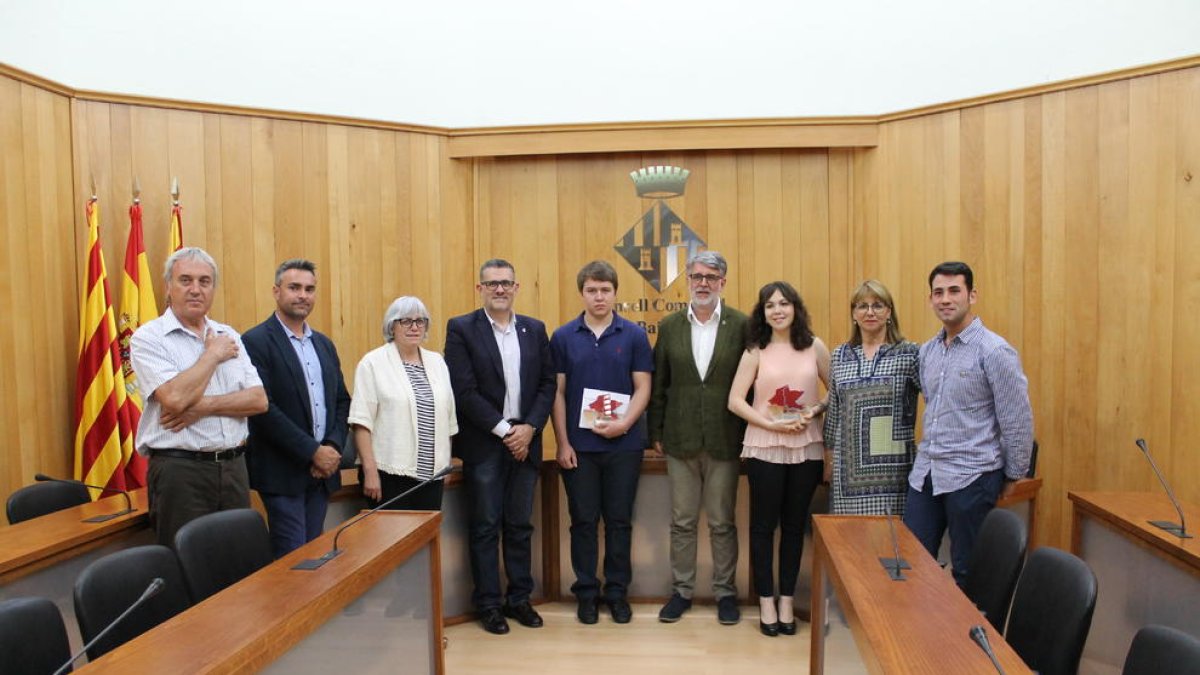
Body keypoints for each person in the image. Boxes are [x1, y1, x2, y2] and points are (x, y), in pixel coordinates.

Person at [904, 261, 1033, 586]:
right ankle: (920, 636)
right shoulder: (928, 352)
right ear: (930, 299)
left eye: (954, 291)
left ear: (971, 295)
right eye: (938, 293)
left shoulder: (994, 351)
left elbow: (1016, 417)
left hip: (972, 476)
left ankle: (964, 637)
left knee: (968, 572)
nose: (945, 299)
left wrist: (1013, 473)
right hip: (927, 475)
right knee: (911, 564)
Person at [445, 259, 556, 635]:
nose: (499, 289)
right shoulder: (461, 329)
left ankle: (519, 599)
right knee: (486, 526)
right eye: (492, 284)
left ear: (516, 287)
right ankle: (489, 604)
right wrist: (506, 431)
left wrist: (529, 429)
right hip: (486, 444)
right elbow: (464, 390)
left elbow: (547, 385)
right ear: (480, 289)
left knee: (520, 525)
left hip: (526, 441)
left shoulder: (534, 329)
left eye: (506, 283)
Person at [130, 247, 268, 547]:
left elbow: (258, 400)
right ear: (168, 286)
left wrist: (201, 408)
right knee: (186, 566)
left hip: (234, 467)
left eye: (204, 281)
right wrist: (212, 355)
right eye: (185, 280)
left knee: (237, 564)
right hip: (181, 472)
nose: (195, 289)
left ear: (213, 289)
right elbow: (175, 400)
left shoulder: (227, 333)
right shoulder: (148, 338)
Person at [550, 260, 653, 625]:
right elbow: (557, 394)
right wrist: (562, 443)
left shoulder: (634, 335)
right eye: (592, 290)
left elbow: (644, 387)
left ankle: (617, 593)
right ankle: (587, 593)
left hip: (624, 446)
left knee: (619, 522)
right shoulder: (563, 337)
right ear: (582, 293)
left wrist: (625, 423)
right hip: (579, 448)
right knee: (582, 521)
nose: (598, 296)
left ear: (615, 293)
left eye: (605, 290)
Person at [647, 251, 747, 626]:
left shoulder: (742, 325)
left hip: (725, 439)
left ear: (723, 281)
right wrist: (654, 431)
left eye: (711, 276)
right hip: (679, 439)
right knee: (682, 521)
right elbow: (660, 384)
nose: (703, 282)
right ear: (687, 281)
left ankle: (725, 594)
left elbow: (751, 385)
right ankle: (682, 591)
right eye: (696, 276)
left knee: (722, 522)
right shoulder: (670, 326)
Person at [727, 281, 830, 638]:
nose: (778, 310)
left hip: (806, 448)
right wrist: (768, 422)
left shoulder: (814, 346)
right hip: (765, 446)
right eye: (770, 305)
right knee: (762, 527)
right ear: (763, 312)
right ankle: (766, 600)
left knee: (793, 526)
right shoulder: (756, 350)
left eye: (784, 303)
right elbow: (735, 401)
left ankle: (787, 599)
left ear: (795, 308)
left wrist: (813, 411)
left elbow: (836, 392)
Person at [243, 259, 352, 558]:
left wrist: (330, 447)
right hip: (282, 472)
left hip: (321, 473)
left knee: (314, 557)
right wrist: (312, 451)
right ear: (277, 292)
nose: (303, 295)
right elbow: (263, 409)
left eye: (309, 289)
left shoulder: (324, 345)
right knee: (292, 561)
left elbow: (342, 402)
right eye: (294, 288)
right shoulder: (255, 341)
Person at [348, 297, 458, 510]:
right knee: (390, 541)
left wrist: (445, 466)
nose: (414, 327)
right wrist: (370, 472)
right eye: (405, 321)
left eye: (420, 321)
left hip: (432, 475)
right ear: (392, 325)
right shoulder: (372, 363)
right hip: (389, 474)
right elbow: (361, 422)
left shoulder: (437, 362)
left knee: (424, 540)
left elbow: (448, 420)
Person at [822, 280, 920, 516]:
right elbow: (834, 410)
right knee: (850, 547)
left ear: (889, 312)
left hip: (894, 475)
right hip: (847, 476)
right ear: (854, 314)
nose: (869, 312)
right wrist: (829, 459)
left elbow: (937, 400)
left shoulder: (909, 353)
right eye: (862, 306)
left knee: (891, 546)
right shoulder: (840, 356)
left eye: (877, 305)